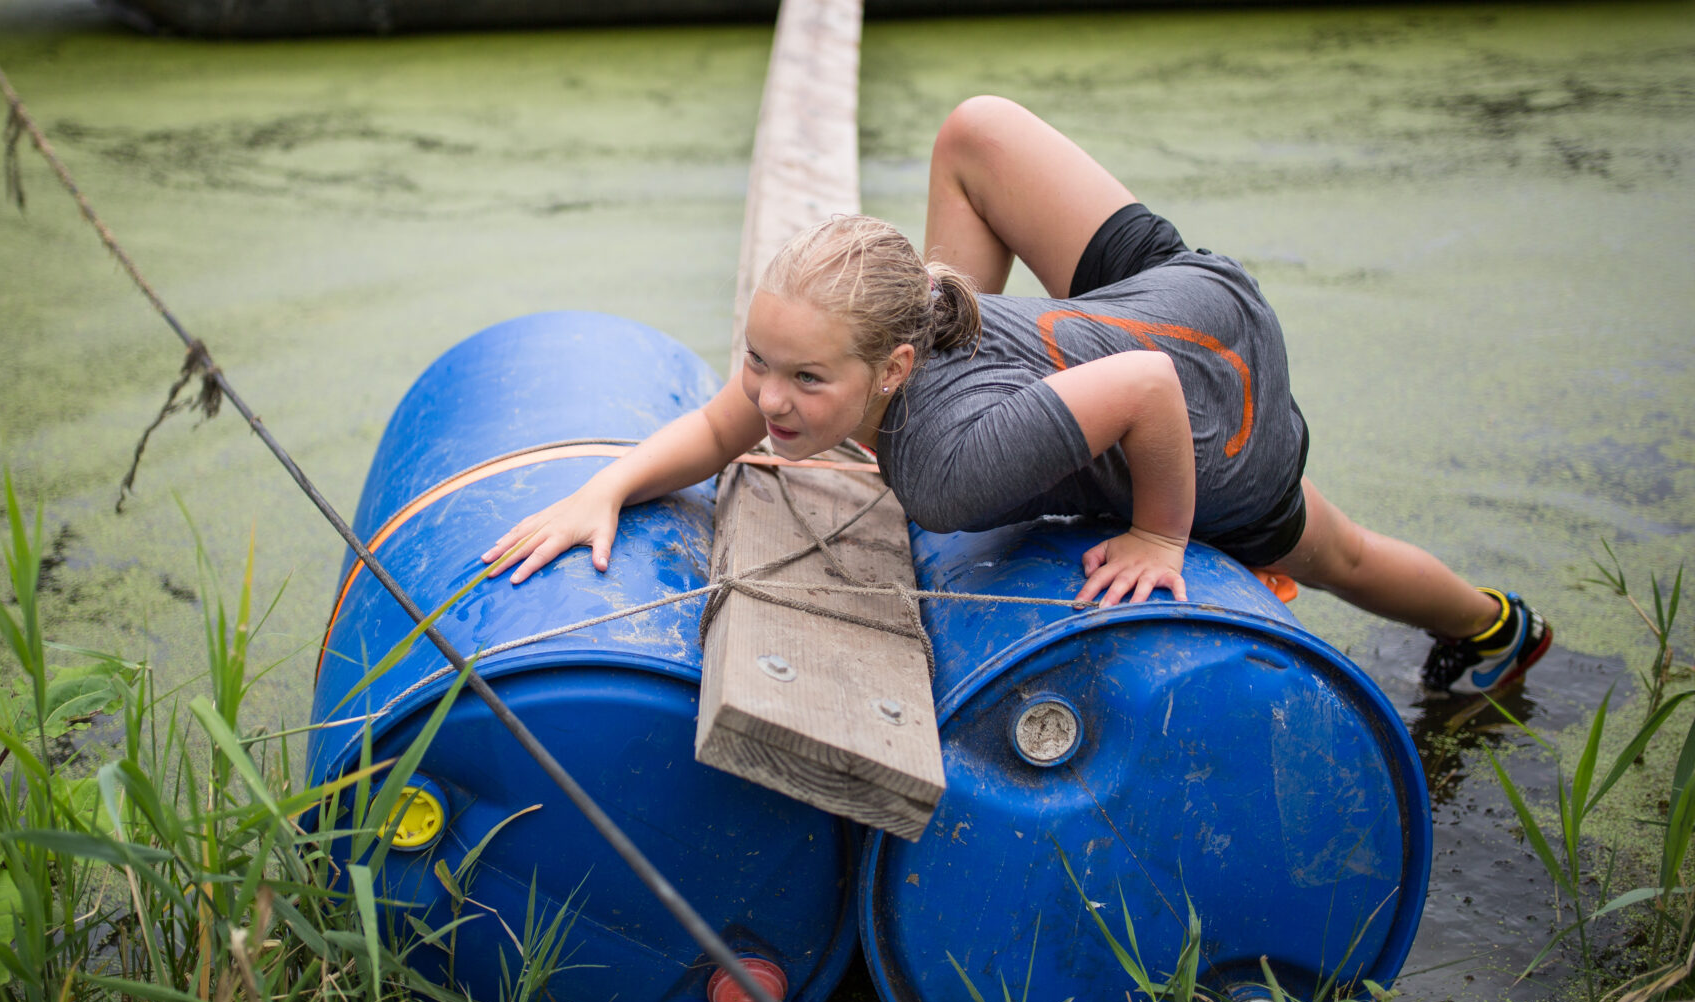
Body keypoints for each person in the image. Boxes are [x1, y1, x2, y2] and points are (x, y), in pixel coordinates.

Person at [482, 95, 1550, 696]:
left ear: (892, 364)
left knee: (1338, 554)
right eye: (763, 361)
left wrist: (1160, 536)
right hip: (1167, 298)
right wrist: (610, 488)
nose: (768, 396)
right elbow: (723, 426)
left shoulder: (946, 470)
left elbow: (1147, 387)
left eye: (808, 378)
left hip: (1218, 405)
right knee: (976, 132)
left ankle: (1496, 626)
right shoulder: (881, 334)